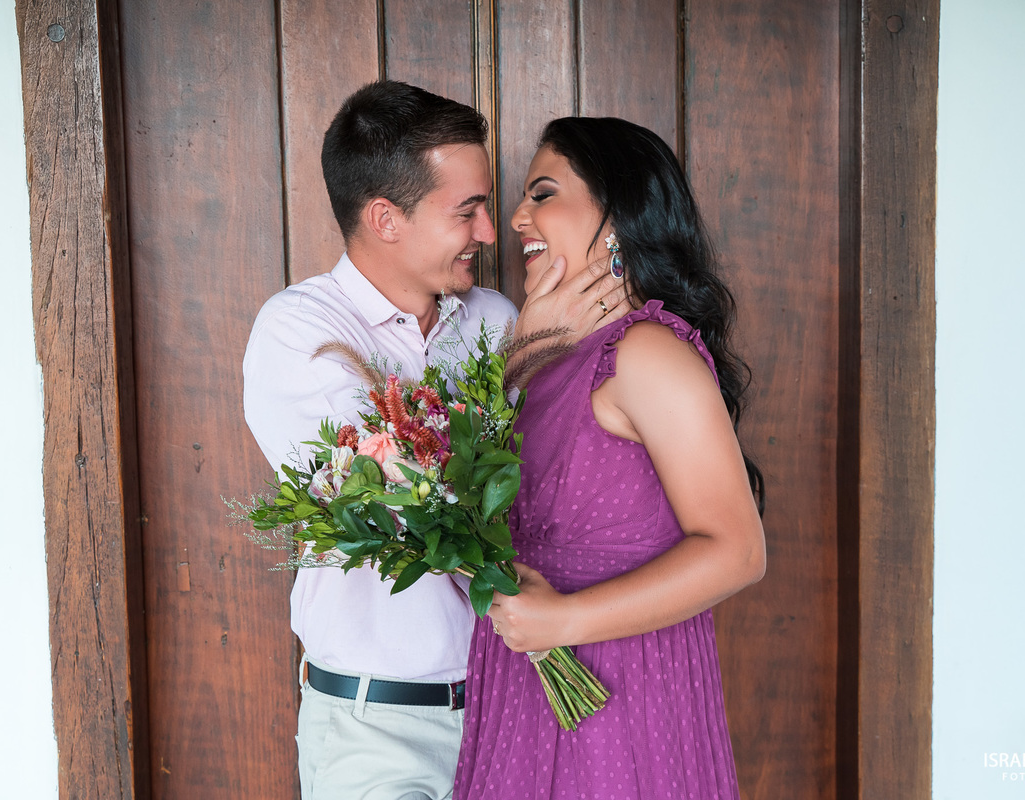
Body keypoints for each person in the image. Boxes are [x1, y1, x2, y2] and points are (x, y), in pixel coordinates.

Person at [243, 83, 628, 800]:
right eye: (466, 210)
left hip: (512, 706)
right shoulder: (299, 332)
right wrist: (526, 358)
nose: (488, 231)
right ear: (385, 218)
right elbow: (404, 508)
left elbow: (537, 493)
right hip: (376, 730)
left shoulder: (495, 317)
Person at [453, 117, 767, 800]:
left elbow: (739, 551)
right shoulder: (545, 358)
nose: (516, 218)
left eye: (542, 194)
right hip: (525, 686)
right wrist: (521, 357)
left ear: (618, 217)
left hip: (619, 697)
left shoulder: (647, 353)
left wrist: (562, 621)